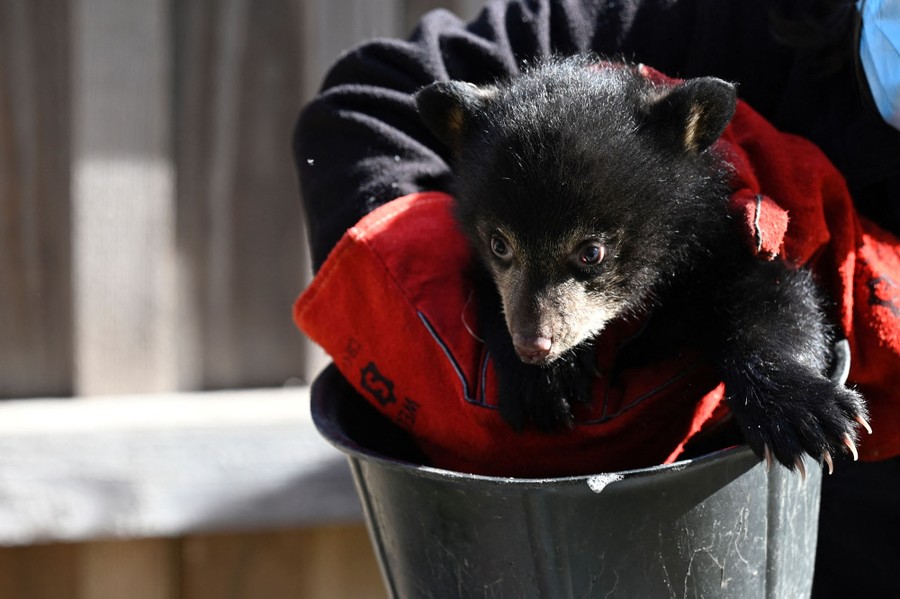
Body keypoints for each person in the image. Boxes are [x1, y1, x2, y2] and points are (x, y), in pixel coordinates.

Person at [294, 1, 900, 595]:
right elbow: (367, 102)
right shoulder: (708, 20)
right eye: (501, 249)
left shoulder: (677, 192)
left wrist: (776, 378)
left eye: (586, 258)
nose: (534, 331)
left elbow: (762, 298)